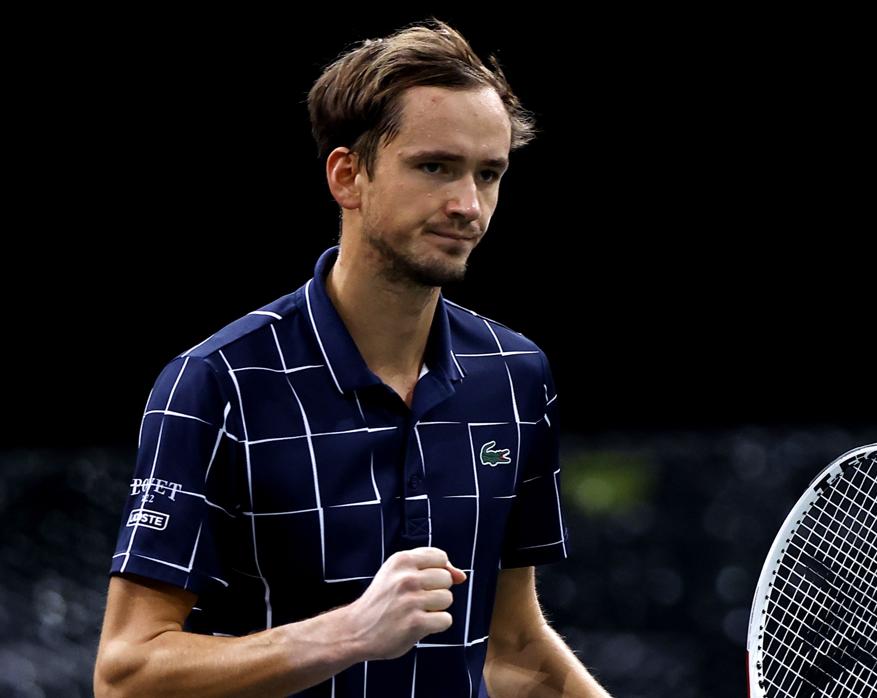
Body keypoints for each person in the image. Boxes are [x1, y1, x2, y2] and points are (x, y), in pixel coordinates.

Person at [94, 19, 609, 698]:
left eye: (489, 174)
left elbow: (512, 649)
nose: (468, 205)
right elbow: (126, 674)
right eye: (435, 167)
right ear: (347, 176)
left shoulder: (516, 377)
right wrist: (349, 633)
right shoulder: (217, 384)